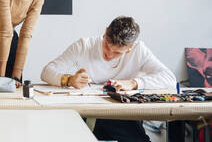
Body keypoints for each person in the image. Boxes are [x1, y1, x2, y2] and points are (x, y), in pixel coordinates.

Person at [41, 16, 176, 142]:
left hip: (124, 115)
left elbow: (169, 78)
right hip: (89, 112)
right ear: (105, 32)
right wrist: (69, 80)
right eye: (106, 45)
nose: (109, 55)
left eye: (117, 52)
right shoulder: (84, 45)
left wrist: (134, 83)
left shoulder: (139, 50)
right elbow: (47, 72)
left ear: (130, 47)